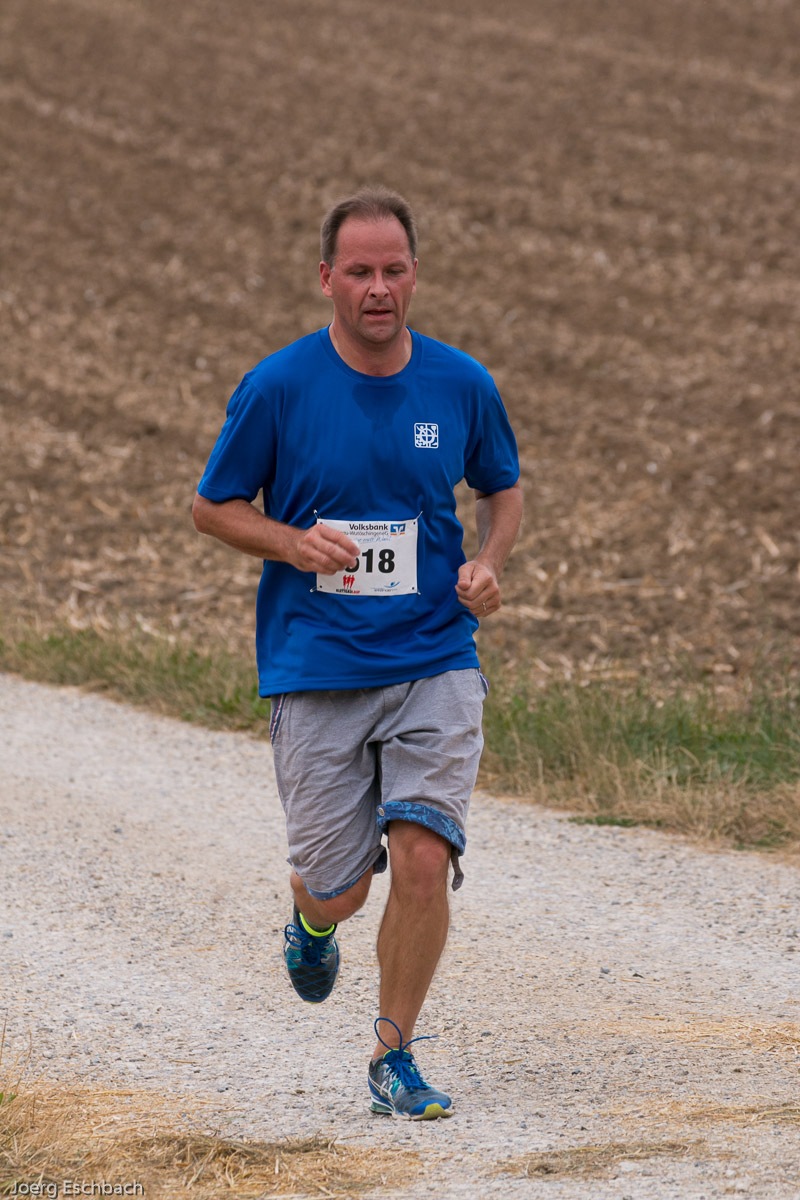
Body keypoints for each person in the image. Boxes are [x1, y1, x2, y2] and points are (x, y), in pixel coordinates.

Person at [192, 186, 522, 1120]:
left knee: (422, 858)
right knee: (339, 894)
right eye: (361, 271)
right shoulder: (279, 387)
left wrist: (489, 565)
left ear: (415, 275)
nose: (379, 288)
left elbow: (502, 489)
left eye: (395, 270)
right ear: (327, 278)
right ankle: (312, 919)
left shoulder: (461, 384)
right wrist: (292, 543)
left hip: (434, 656)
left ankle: (393, 1054)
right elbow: (212, 507)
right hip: (319, 665)